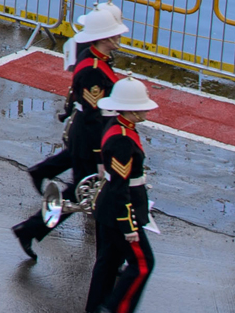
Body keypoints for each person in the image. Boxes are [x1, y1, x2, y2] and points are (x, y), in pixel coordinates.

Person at [14, 2, 127, 261]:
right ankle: (108, 254)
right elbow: (94, 117)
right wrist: (101, 158)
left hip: (87, 137)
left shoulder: (97, 60)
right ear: (104, 37)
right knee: (90, 196)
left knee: (80, 194)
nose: (120, 37)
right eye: (115, 33)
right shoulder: (94, 70)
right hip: (90, 140)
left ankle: (29, 230)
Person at [84, 78, 160, 313]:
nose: (147, 109)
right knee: (143, 264)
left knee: (107, 262)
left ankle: (96, 307)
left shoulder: (119, 126)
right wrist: (129, 226)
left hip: (109, 208)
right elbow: (120, 187)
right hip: (122, 211)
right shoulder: (123, 140)